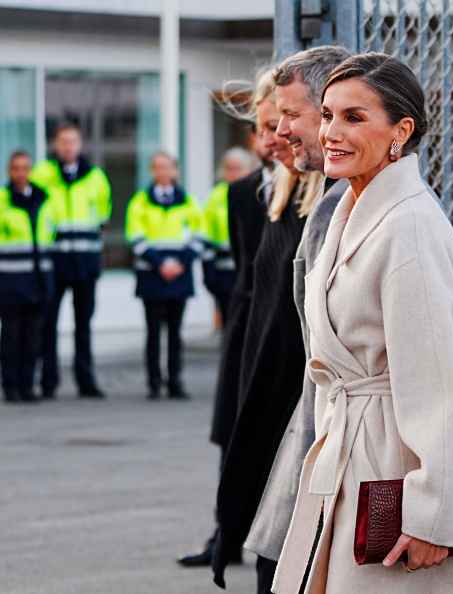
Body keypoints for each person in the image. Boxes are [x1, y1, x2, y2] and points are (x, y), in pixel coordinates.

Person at [270, 51, 453, 594]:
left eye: (354, 117)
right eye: (328, 115)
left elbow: (440, 381)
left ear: (401, 131)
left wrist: (434, 513)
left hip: (390, 465)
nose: (332, 132)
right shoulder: (349, 210)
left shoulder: (409, 225)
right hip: (346, 451)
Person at [211, 46, 350, 594]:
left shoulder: (337, 210)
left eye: (288, 119)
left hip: (311, 422)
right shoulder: (276, 199)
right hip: (274, 405)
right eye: (272, 123)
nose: (276, 137)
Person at [178, 73, 277, 570]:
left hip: (282, 325)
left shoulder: (314, 189)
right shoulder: (240, 194)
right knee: (232, 430)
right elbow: (242, 263)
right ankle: (226, 532)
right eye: (262, 129)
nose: (270, 139)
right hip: (245, 319)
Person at [30, 123, 111, 399]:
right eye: (63, 141)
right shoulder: (42, 175)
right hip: (54, 262)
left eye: (72, 141)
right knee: (48, 323)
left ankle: (86, 381)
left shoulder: (96, 177)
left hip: (85, 262)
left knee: (83, 324)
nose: (68, 146)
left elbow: (102, 217)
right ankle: (48, 381)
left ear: (80, 144)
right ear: (55, 144)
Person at [125, 151, 204, 401]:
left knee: (174, 332)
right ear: (152, 171)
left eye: (167, 167)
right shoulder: (140, 201)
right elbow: (135, 237)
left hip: (179, 276)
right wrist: (161, 264)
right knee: (153, 332)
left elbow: (199, 236)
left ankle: (175, 381)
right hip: (152, 276)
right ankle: (153, 382)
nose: (163, 172)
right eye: (158, 167)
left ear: (175, 170)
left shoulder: (188, 201)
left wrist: (179, 264)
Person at [0, 151, 59, 404]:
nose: (21, 173)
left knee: (34, 336)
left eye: (25, 168)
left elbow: (51, 235)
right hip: (11, 279)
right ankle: (10, 385)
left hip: (39, 278)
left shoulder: (44, 200)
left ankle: (28, 385)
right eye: (16, 168)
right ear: (9, 172)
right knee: (11, 336)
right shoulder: (3, 200)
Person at [202, 147, 254, 325]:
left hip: (248, 269)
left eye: (238, 168)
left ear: (249, 169)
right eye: (229, 168)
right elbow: (206, 233)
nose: (233, 173)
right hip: (223, 270)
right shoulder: (216, 195)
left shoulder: (256, 193)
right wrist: (208, 270)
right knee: (228, 322)